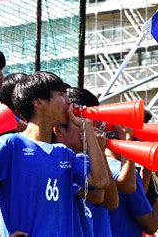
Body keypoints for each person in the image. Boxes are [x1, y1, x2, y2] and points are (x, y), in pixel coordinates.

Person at [0, 71, 108, 236]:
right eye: (61, 94)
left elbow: (100, 181)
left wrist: (87, 127)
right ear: (38, 102)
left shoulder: (64, 154)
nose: (68, 101)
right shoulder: (10, 145)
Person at [52, 87, 116, 237]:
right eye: (78, 122)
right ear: (59, 131)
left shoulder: (85, 157)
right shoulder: (62, 159)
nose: (92, 131)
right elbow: (97, 195)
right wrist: (95, 149)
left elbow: (112, 202)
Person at [107, 124, 158, 236]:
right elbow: (151, 225)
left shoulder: (97, 166)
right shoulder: (126, 174)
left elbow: (132, 201)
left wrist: (146, 172)